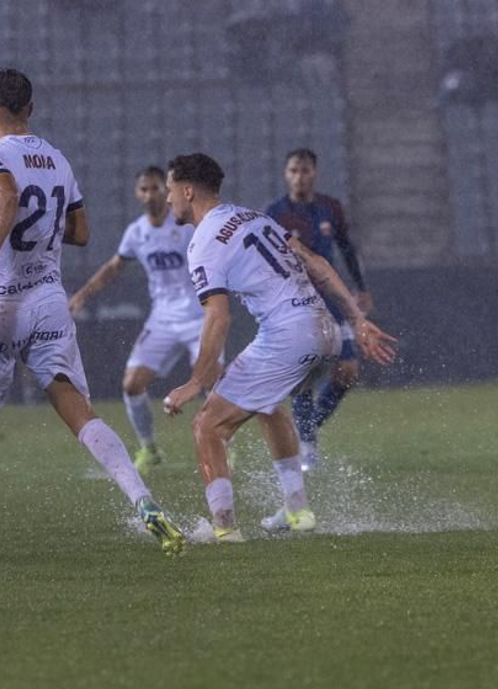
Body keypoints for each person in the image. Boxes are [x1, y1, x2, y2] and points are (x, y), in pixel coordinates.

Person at [0, 70, 185, 567]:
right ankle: (143, 500)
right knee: (77, 407)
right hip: (48, 300)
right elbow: (80, 231)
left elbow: (7, 195)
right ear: (31, 109)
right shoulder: (58, 159)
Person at [162, 153, 395, 541]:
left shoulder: (203, 242)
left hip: (288, 334)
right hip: (323, 326)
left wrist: (195, 381)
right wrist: (355, 318)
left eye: (170, 191)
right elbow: (316, 262)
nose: (169, 199)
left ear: (187, 190)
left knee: (207, 426)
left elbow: (218, 317)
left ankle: (224, 531)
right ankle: (298, 511)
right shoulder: (253, 216)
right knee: (269, 406)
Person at [68, 166, 208, 474]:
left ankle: (223, 445)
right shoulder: (136, 232)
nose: (150, 195)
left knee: (212, 381)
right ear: (137, 193)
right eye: (143, 189)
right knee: (132, 384)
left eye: (156, 188)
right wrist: (82, 295)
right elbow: (114, 267)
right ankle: (149, 447)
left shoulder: (186, 225)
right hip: (162, 319)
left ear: (166, 191)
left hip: (199, 315)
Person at [265, 148, 371, 469]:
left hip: (333, 301)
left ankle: (303, 431)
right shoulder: (275, 214)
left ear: (315, 173)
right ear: (286, 174)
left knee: (348, 372)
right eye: (294, 170)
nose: (300, 176)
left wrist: (360, 287)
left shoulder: (331, 208)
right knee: (305, 375)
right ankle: (307, 445)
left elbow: (346, 248)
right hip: (297, 304)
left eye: (306, 170)